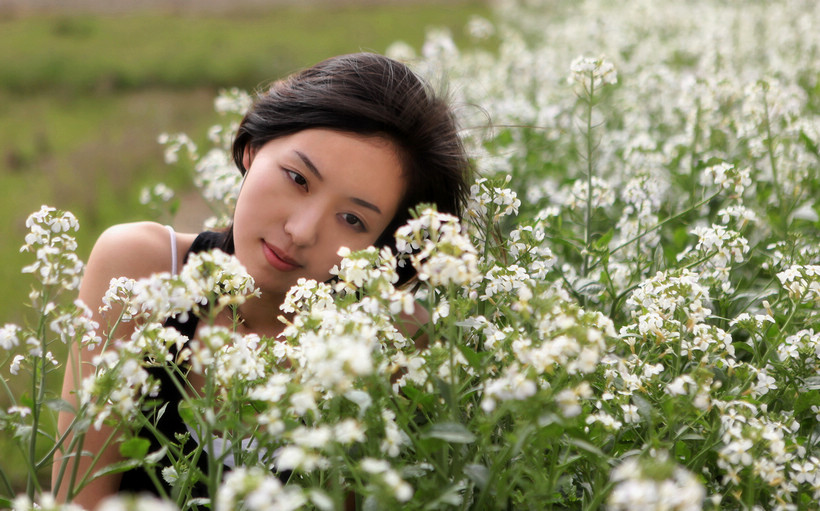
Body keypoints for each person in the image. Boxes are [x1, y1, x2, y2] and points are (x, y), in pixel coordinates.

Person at [53, 52, 472, 506]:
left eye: (351, 219)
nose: (302, 231)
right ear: (252, 148)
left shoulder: (396, 340)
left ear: (383, 250)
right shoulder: (142, 269)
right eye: (297, 178)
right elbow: (77, 501)